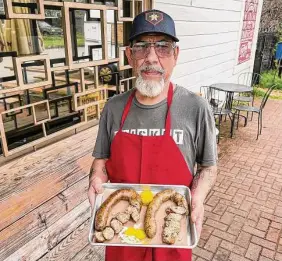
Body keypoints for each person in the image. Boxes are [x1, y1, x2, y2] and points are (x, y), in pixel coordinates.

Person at [88, 9, 218, 261]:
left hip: (174, 232)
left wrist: (198, 198)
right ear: (129, 55)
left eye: (163, 47)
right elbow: (100, 163)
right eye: (141, 47)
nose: (151, 58)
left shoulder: (196, 108)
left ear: (176, 55)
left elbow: (208, 168)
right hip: (123, 232)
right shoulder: (113, 108)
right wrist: (95, 177)